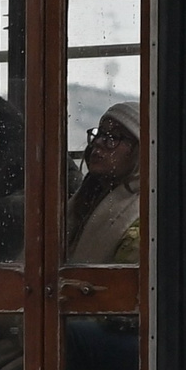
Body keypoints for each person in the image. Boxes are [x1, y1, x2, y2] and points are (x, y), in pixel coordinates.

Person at [64, 101, 141, 262]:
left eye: (114, 137)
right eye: (100, 134)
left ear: (140, 151)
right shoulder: (85, 197)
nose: (98, 142)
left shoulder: (144, 219)